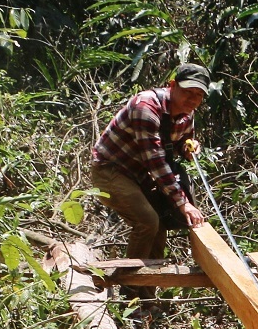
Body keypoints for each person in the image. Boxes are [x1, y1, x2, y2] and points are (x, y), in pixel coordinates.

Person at [90, 63, 211, 266]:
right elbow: (155, 160)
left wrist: (187, 148)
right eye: (188, 92)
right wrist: (184, 204)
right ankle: (130, 289)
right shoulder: (145, 106)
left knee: (159, 226)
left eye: (198, 95)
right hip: (111, 171)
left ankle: (147, 294)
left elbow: (179, 142)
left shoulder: (187, 112)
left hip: (142, 175)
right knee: (147, 221)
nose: (193, 99)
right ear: (172, 85)